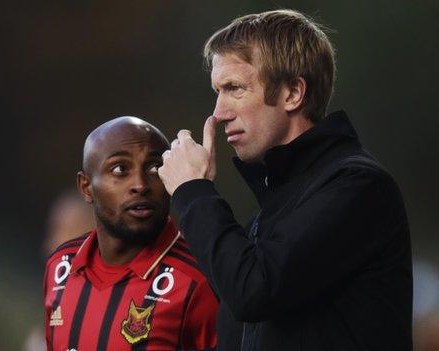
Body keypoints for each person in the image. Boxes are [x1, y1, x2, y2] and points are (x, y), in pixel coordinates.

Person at [158, 9, 413, 351]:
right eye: (218, 91)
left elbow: (254, 291)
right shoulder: (273, 209)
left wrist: (193, 192)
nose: (218, 112)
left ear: (293, 92)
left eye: (234, 88)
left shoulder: (358, 186)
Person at [44, 116, 218, 351]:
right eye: (120, 169)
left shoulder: (197, 280)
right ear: (86, 187)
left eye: (155, 168)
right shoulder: (60, 266)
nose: (140, 184)